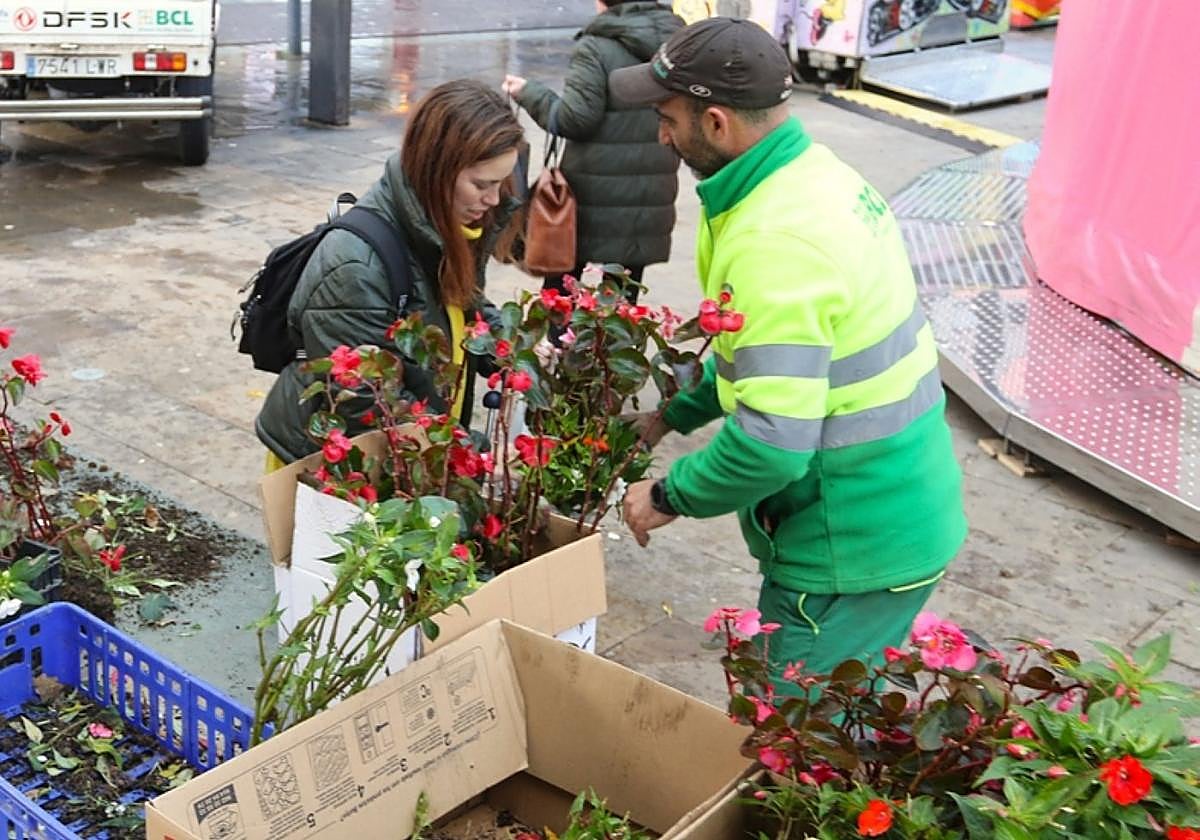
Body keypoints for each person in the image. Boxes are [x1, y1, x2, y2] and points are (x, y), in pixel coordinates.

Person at [612, 18, 967, 687]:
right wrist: (674, 414)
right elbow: (770, 358)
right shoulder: (811, 177)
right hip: (894, 512)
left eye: (667, 118)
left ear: (716, 123)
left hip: (847, 543)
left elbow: (772, 444)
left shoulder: (776, 239)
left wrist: (666, 493)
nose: (660, 135)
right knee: (842, 732)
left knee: (792, 751)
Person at [256, 79, 524, 465]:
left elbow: (460, 303)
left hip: (403, 457)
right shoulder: (354, 264)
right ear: (436, 170)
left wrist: (510, 347)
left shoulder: (440, 224)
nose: (494, 198)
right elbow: (367, 401)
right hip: (336, 467)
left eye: (501, 183)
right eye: (482, 184)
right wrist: (472, 453)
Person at [501, 0, 683, 303]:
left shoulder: (596, 46)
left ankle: (556, 349)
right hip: (650, 198)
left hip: (589, 201)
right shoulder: (677, 45)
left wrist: (528, 93)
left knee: (560, 298)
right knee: (622, 307)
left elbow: (574, 120)